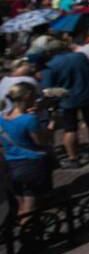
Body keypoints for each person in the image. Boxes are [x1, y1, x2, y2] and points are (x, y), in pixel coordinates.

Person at [38, 40, 89, 168]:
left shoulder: (51, 65)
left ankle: (73, 157)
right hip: (88, 93)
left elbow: (47, 88)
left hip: (67, 98)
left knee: (70, 129)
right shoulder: (80, 56)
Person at [0, 83, 52, 217]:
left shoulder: (1, 118)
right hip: (31, 165)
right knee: (30, 208)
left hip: (10, 166)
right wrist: (52, 125)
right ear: (28, 96)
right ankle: (29, 235)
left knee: (20, 207)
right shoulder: (30, 119)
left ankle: (20, 234)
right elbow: (41, 142)